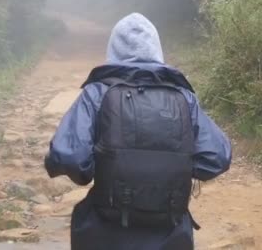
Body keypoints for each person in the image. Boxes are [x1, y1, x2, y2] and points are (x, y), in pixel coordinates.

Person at [44, 13, 232, 250]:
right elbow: (217, 158)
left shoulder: (97, 93)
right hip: (170, 233)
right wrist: (171, 168)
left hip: (106, 232)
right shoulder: (183, 97)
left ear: (113, 48)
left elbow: (71, 157)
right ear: (157, 48)